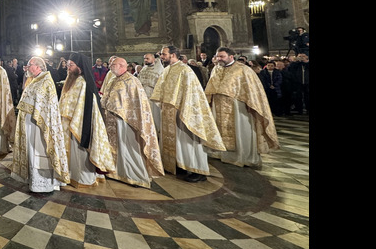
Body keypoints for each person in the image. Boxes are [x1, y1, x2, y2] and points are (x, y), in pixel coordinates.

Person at [150, 46, 225, 182]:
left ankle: (198, 169)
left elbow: (192, 93)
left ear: (173, 55)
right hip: (169, 112)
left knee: (188, 140)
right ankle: (179, 165)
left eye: (163, 54)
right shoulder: (167, 70)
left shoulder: (185, 70)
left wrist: (184, 109)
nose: (161, 56)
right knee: (178, 142)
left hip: (184, 111)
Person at [205, 47, 279, 168]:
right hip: (218, 106)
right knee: (219, 130)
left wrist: (252, 105)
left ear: (231, 56)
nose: (219, 59)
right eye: (218, 56)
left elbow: (253, 90)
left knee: (240, 130)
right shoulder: (216, 69)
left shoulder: (243, 70)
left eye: (222, 56)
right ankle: (221, 154)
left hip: (238, 106)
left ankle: (242, 156)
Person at [100, 58, 164, 188]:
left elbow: (138, 104)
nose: (110, 66)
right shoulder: (113, 79)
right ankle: (116, 172)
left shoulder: (132, 81)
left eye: (113, 64)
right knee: (115, 147)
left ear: (122, 65)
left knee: (128, 147)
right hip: (112, 120)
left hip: (127, 122)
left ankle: (135, 175)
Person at [10, 57, 71, 192]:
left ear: (38, 67)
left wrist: (35, 114)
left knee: (39, 151)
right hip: (31, 124)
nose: (27, 67)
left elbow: (45, 106)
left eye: (29, 64)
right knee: (31, 152)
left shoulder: (45, 81)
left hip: (39, 125)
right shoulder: (35, 80)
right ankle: (32, 180)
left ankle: (44, 183)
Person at [59, 53, 115, 186]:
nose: (68, 68)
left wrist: (71, 118)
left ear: (80, 67)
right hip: (69, 123)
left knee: (79, 153)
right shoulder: (70, 80)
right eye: (67, 65)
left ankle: (82, 179)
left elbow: (83, 106)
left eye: (71, 65)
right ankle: (71, 175)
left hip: (79, 124)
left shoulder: (82, 83)